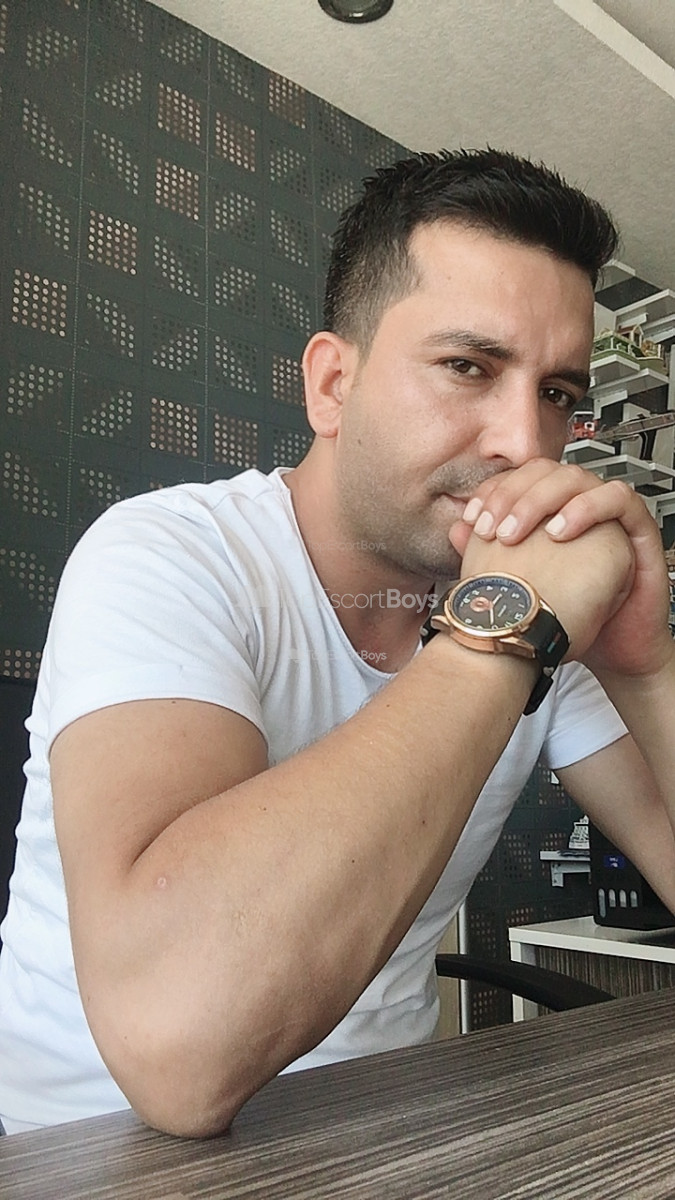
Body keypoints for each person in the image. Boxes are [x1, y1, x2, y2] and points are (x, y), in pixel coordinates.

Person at [0, 148, 673, 1139]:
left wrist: (645, 667)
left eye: (557, 395)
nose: (524, 444)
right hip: (87, 1158)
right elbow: (178, 1054)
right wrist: (501, 630)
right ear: (331, 384)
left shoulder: (540, 630)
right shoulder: (168, 557)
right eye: (468, 368)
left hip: (384, 1137)